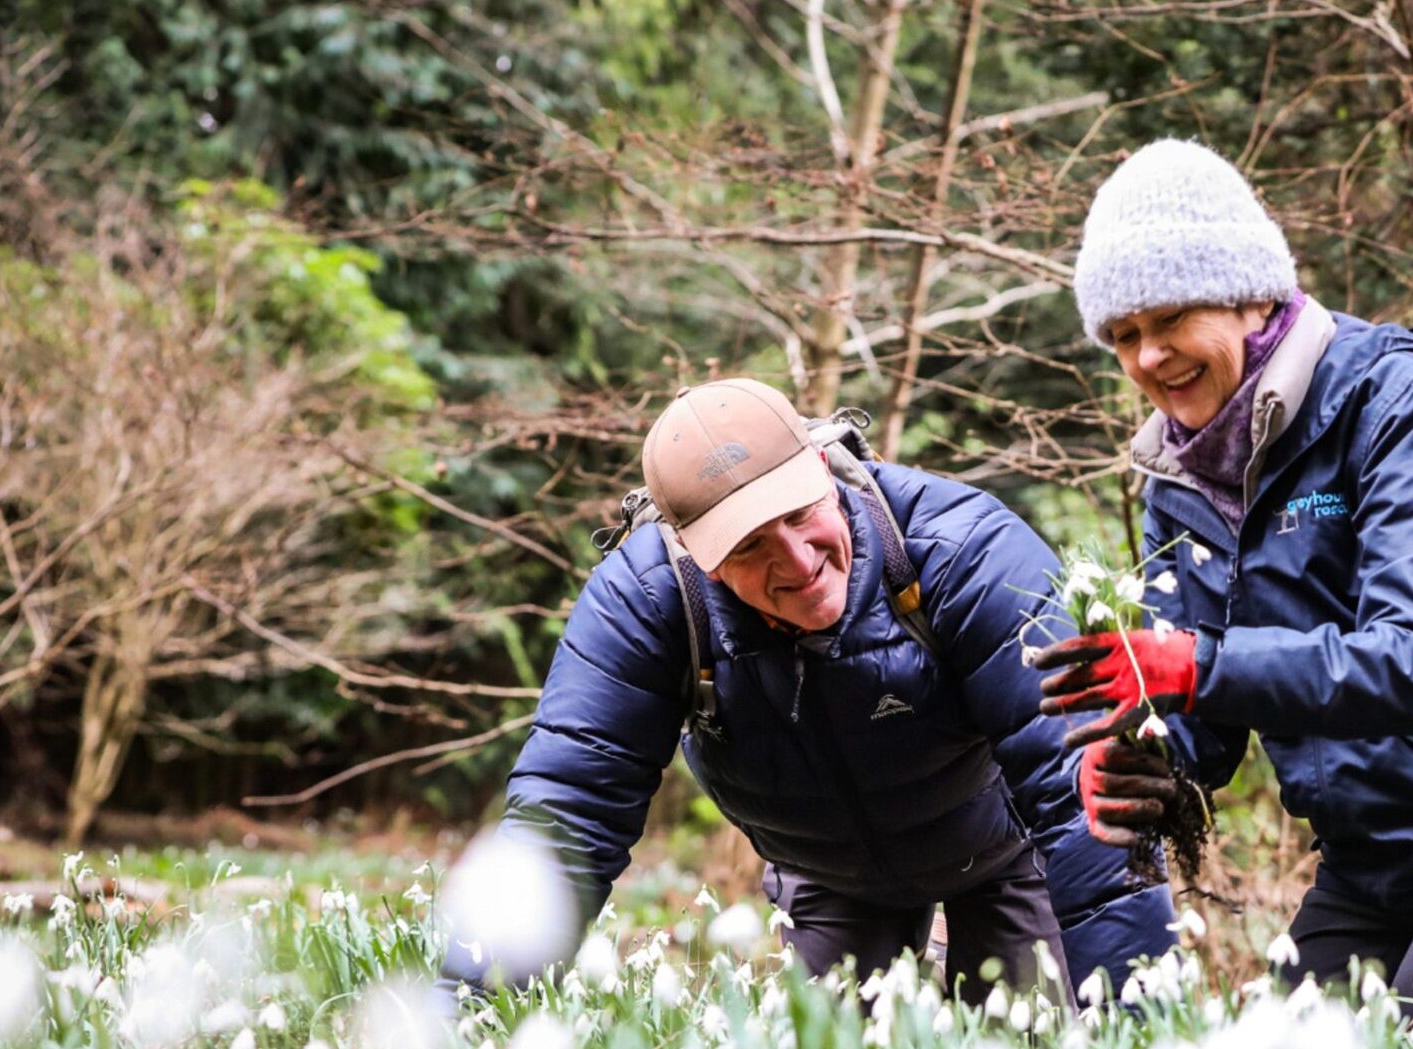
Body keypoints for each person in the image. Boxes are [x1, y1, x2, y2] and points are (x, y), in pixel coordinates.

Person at [1031, 139, 1413, 998]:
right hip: (1374, 863)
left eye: (1170, 318)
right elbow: (1208, 727)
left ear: (1253, 295)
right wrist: (1150, 761)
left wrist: (1190, 668)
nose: (1148, 357)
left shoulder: (1406, 409)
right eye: (1125, 334)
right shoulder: (1180, 482)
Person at [464, 377, 1173, 999]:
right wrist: (461, 1021)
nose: (798, 562)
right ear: (697, 556)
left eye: (801, 513)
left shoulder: (963, 549)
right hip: (828, 877)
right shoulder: (647, 602)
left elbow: (1084, 791)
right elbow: (567, 815)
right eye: (749, 547)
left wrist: (1135, 1016)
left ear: (824, 468)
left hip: (995, 850)